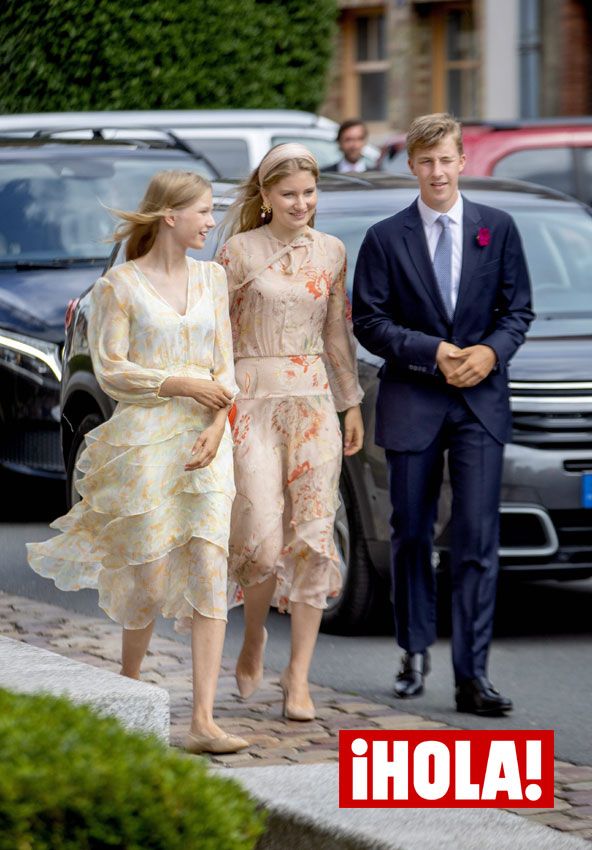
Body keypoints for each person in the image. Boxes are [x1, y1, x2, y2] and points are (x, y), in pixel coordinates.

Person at [27, 170, 248, 754]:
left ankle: (203, 720)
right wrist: (178, 382)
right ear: (170, 216)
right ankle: (128, 690)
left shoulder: (214, 278)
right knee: (149, 571)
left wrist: (216, 421)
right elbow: (111, 369)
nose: (210, 221)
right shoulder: (118, 287)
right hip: (146, 437)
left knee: (208, 568)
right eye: (203, 211)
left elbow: (226, 367)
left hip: (207, 441)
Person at [352, 113, 534, 716]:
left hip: (480, 402)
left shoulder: (498, 228)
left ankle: (472, 676)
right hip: (414, 400)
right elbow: (370, 322)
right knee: (410, 534)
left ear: (462, 162)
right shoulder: (384, 237)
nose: (437, 171)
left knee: (478, 539)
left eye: (446, 160)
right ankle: (413, 653)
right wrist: (432, 352)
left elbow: (518, 311)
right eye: (425, 161)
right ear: (411, 164)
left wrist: (487, 353)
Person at [217, 143, 364, 721]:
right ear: (265, 196)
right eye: (288, 194)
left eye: (308, 192)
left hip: (313, 404)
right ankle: (253, 634)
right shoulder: (237, 252)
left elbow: (336, 336)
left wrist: (350, 404)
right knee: (259, 531)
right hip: (250, 399)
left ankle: (298, 676)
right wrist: (214, 404)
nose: (301, 203)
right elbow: (217, 336)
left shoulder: (331, 251)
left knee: (314, 532)